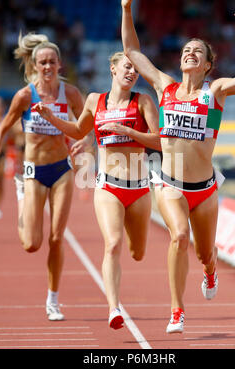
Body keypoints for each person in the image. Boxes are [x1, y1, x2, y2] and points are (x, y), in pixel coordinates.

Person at [121, 0, 235, 333]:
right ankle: (177, 310)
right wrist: (127, 8)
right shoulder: (164, 87)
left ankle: (210, 270)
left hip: (205, 190)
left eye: (198, 51)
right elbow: (130, 49)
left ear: (208, 65)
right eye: (187, 49)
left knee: (205, 253)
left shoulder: (215, 92)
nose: (190, 52)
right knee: (178, 237)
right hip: (169, 184)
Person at [33, 51, 161, 329]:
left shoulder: (144, 102)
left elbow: (161, 142)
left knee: (137, 252)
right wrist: (50, 117)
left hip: (139, 189)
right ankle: (114, 308)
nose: (132, 73)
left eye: (136, 70)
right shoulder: (95, 100)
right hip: (108, 187)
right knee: (112, 244)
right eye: (127, 67)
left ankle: (132, 238)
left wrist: (130, 133)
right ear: (113, 69)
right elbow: (79, 131)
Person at [0, 33, 85, 321]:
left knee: (56, 237)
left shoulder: (72, 94)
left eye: (52, 61)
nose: (48, 66)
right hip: (33, 172)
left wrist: (86, 141)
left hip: (62, 170)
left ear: (60, 64)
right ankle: (21, 199)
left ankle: (53, 300)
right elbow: (2, 130)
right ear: (35, 64)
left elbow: (88, 125)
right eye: (43, 62)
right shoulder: (25, 95)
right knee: (31, 244)